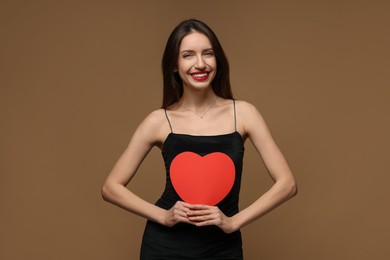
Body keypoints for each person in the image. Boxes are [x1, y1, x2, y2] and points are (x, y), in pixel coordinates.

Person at [102, 19, 297, 260]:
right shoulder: (160, 120)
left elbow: (287, 184)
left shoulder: (244, 113)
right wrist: (163, 216)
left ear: (218, 61)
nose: (200, 64)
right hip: (164, 247)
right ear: (174, 65)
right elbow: (111, 188)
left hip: (222, 247)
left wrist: (234, 222)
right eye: (188, 55)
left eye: (208, 54)